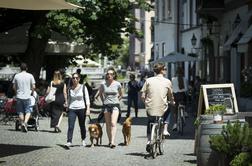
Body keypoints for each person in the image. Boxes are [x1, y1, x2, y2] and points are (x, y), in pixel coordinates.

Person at [140, 63, 174, 152]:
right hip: (162, 108)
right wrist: (172, 102)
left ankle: (148, 141)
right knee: (169, 107)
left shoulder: (148, 80)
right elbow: (170, 96)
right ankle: (165, 129)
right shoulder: (167, 81)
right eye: (165, 69)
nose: (166, 70)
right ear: (162, 70)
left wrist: (146, 103)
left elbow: (143, 96)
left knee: (150, 121)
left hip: (150, 107)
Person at [98, 67, 123, 148]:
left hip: (115, 105)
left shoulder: (117, 84)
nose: (109, 75)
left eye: (111, 74)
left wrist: (117, 100)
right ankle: (109, 141)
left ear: (114, 75)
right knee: (108, 124)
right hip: (106, 105)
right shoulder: (103, 84)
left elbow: (121, 94)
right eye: (108, 74)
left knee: (113, 123)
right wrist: (103, 101)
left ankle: (112, 141)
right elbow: (100, 93)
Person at [65, 73, 90, 148]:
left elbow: (87, 98)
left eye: (76, 78)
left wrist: (88, 109)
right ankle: (69, 141)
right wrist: (67, 106)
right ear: (71, 79)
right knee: (70, 126)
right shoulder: (70, 88)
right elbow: (69, 99)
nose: (75, 79)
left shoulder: (83, 87)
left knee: (82, 125)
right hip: (72, 108)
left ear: (79, 79)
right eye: (73, 78)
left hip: (81, 108)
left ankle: (83, 139)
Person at [12, 62, 36, 132]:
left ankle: (22, 123)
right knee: (28, 111)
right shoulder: (30, 76)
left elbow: (14, 87)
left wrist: (16, 93)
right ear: (26, 68)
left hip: (19, 96)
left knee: (20, 112)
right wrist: (31, 92)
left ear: (20, 68)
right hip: (27, 96)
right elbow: (33, 86)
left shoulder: (16, 76)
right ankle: (25, 123)